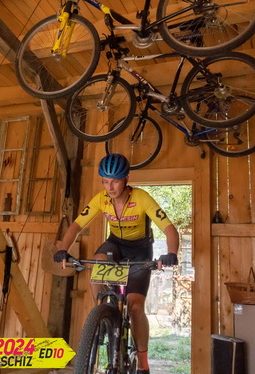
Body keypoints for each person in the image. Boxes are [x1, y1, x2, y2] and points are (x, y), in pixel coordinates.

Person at [54, 153, 180, 374]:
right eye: (105, 181)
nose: (110, 187)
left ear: (126, 179)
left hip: (140, 251)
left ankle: (143, 362)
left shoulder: (142, 198)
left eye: (115, 181)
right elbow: (76, 226)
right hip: (115, 245)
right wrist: (62, 249)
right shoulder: (101, 199)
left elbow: (169, 228)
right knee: (97, 263)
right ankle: (100, 314)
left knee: (135, 307)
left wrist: (171, 253)